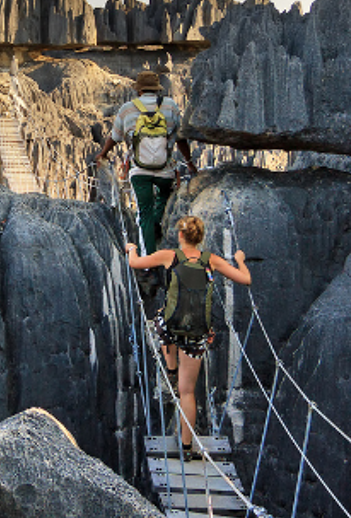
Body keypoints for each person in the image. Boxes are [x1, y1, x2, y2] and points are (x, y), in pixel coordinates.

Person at [127, 216, 249, 450]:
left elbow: (136, 263)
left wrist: (131, 248)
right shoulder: (211, 260)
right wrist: (240, 260)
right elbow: (245, 279)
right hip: (196, 334)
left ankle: (170, 368)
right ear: (200, 237)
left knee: (160, 320)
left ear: (181, 236)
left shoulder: (169, 256)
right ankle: (186, 445)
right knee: (187, 392)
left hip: (171, 327)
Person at [95, 69, 196, 254]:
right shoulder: (171, 106)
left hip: (139, 171)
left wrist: (102, 153)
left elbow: (114, 137)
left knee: (144, 214)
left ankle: (149, 263)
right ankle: (158, 224)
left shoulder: (127, 109)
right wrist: (189, 162)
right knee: (165, 196)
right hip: (166, 170)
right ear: (157, 90)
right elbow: (181, 139)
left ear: (139, 90)